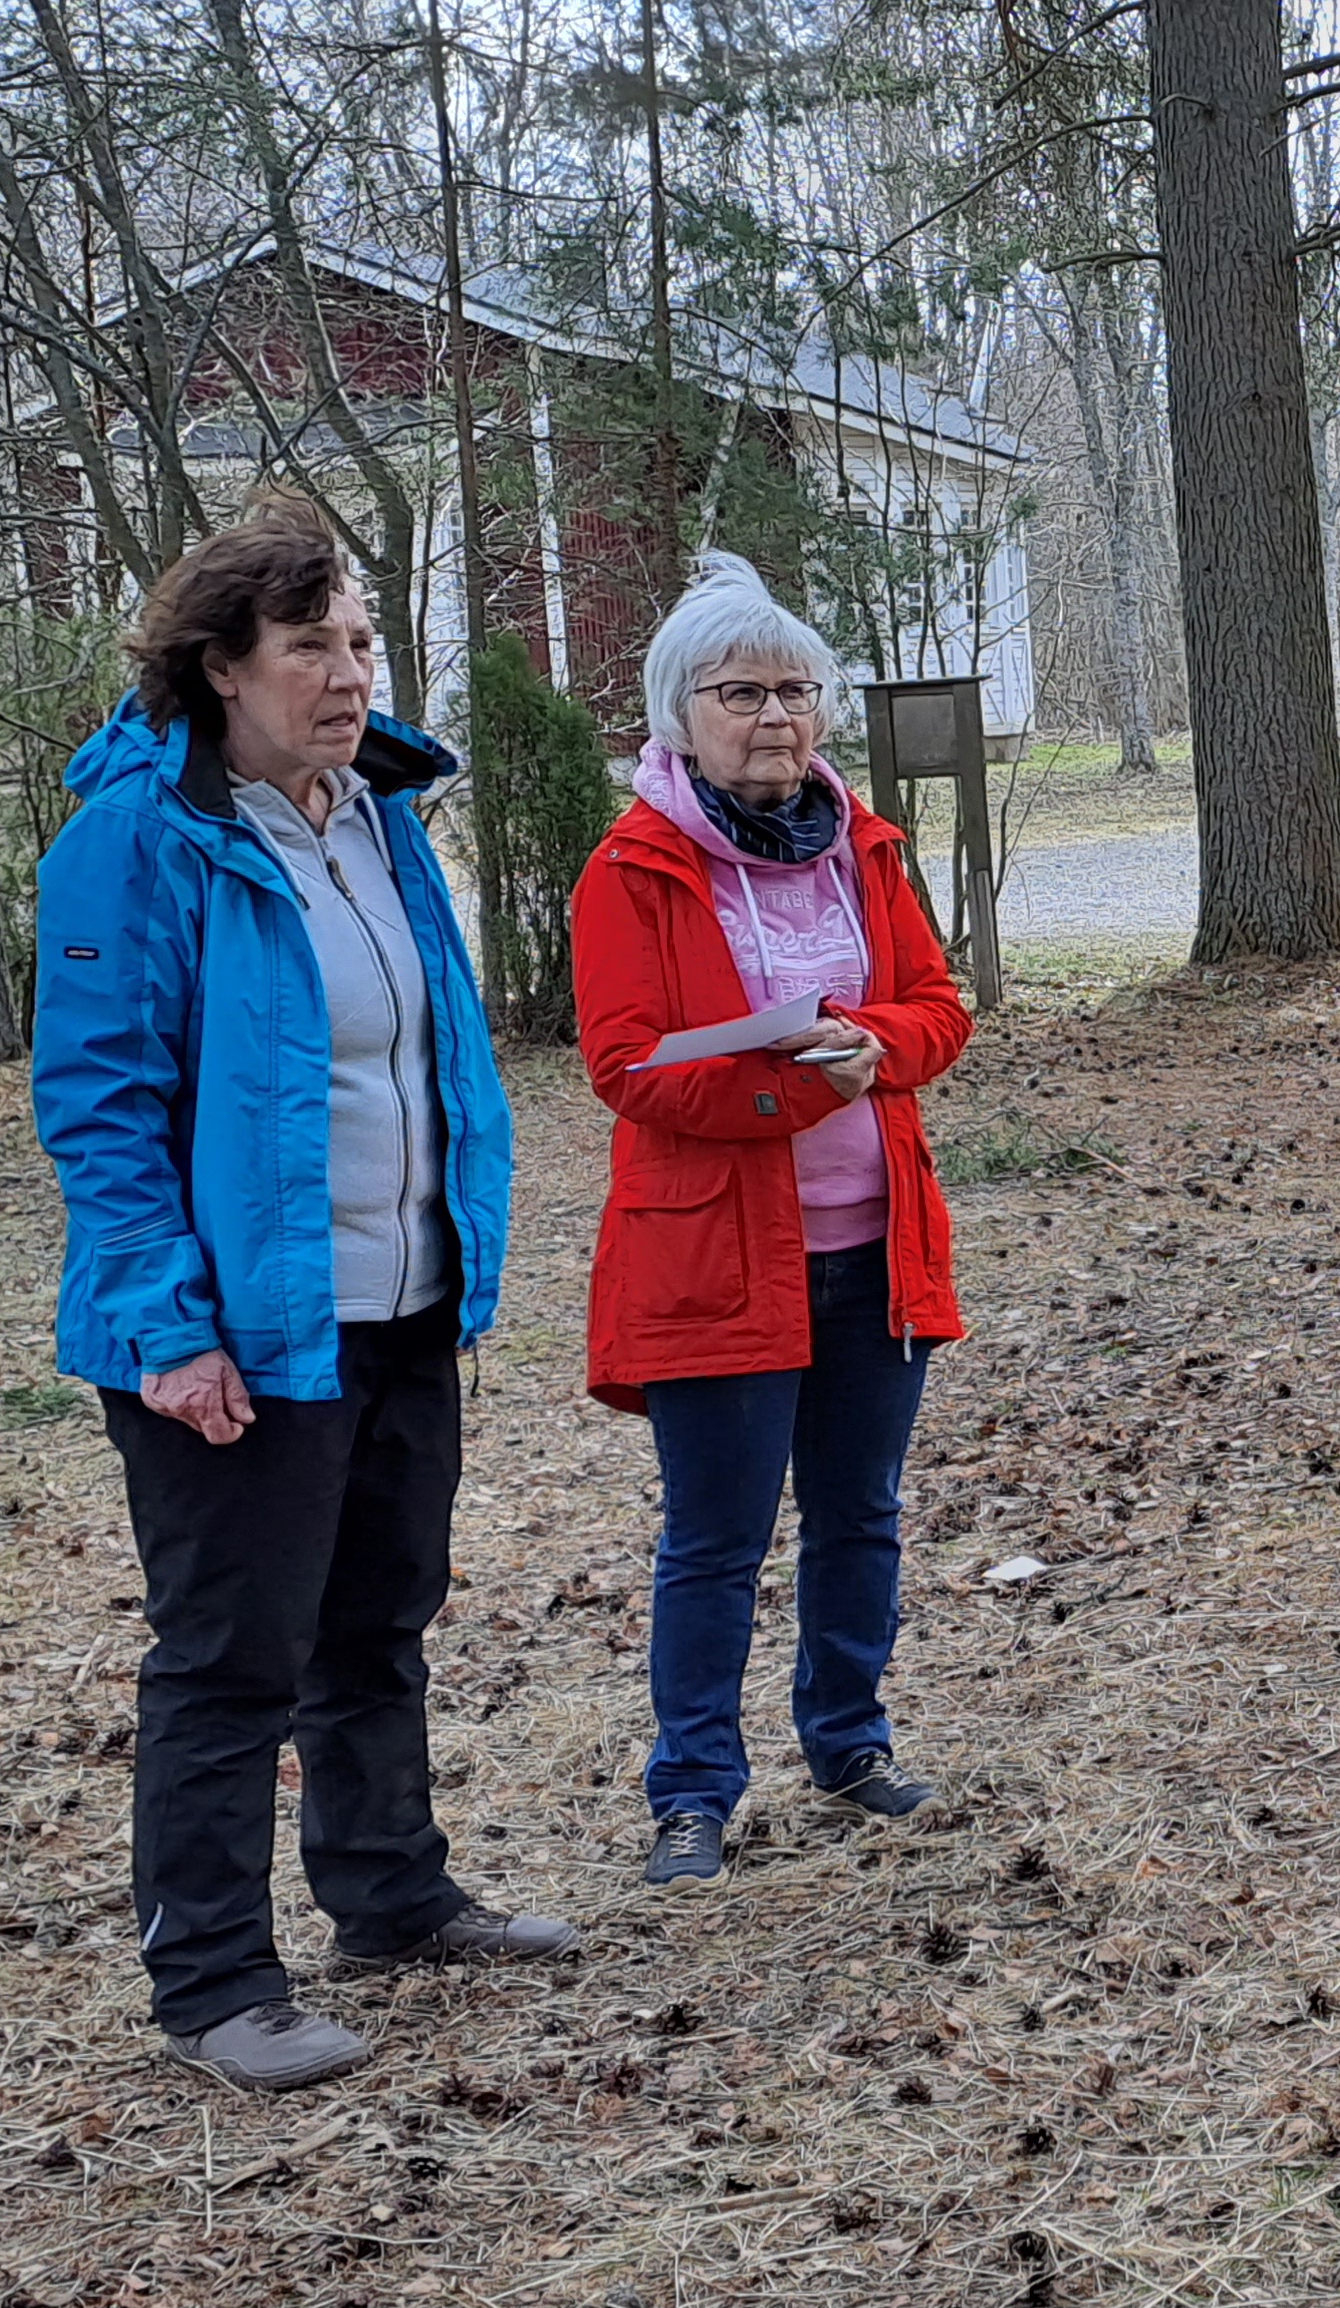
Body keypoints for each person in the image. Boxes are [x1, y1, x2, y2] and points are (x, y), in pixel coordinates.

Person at [31, 493, 575, 2097]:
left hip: (403, 1297)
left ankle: (392, 1895)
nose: (347, 675)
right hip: (239, 1328)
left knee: (377, 1620)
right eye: (307, 647)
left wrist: (460, 1247)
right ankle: (210, 1980)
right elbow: (102, 1104)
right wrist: (170, 1325)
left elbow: (424, 1055)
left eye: (357, 642)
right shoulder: (138, 840)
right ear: (215, 667)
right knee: (230, 1656)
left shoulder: (380, 816)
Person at [573, 553, 975, 1889]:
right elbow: (630, 1064)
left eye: (797, 688)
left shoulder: (864, 843)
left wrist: (873, 1043)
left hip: (877, 1249)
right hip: (715, 1257)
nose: (777, 716)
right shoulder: (632, 869)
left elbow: (937, 1004)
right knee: (716, 1537)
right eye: (741, 690)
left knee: (858, 1511)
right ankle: (691, 1791)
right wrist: (790, 1086)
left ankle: (848, 1740)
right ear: (677, 712)